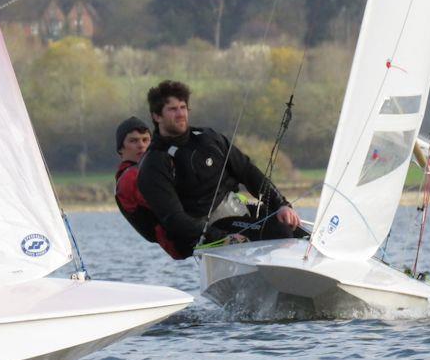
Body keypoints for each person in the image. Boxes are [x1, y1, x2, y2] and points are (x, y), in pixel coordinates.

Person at [137, 80, 303, 257]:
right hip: (212, 231)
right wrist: (219, 238)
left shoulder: (209, 138)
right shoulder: (154, 164)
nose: (180, 114)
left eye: (183, 107)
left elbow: (247, 171)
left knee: (299, 232)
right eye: (172, 109)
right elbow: (174, 218)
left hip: (241, 213)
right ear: (156, 116)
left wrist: (281, 205)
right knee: (280, 231)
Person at [114, 116, 189, 260]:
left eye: (145, 140)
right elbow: (166, 202)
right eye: (133, 141)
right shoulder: (130, 178)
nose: (141, 146)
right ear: (120, 149)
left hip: (187, 231)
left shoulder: (148, 170)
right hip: (180, 240)